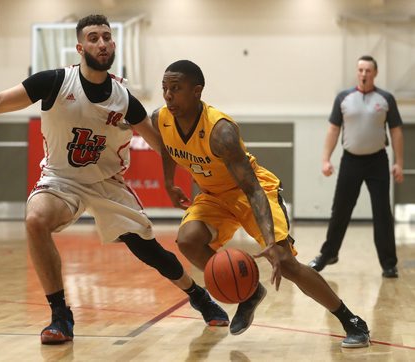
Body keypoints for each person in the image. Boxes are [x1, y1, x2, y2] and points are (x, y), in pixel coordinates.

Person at [0, 15, 229, 345]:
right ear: (79, 47)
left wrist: (177, 181)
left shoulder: (125, 98)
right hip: (61, 179)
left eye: (106, 37)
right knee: (35, 220)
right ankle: (60, 315)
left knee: (150, 252)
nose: (101, 43)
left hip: (107, 183)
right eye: (93, 38)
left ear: (114, 45)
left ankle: (198, 296)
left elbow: (165, 146)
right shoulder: (53, 82)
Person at [153, 59, 370, 348]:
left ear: (197, 91)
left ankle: (351, 320)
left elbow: (252, 189)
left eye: (176, 89)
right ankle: (250, 292)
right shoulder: (161, 117)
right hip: (213, 196)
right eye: (165, 88)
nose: (168, 95)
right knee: (188, 240)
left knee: (286, 262)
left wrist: (269, 241)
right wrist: (169, 183)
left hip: (250, 191)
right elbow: (167, 147)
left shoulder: (221, 131)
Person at [308, 55, 404, 278]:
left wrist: (399, 162)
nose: (364, 74)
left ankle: (389, 263)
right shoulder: (343, 98)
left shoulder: (386, 98)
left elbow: (396, 132)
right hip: (351, 161)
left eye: (368, 70)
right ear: (356, 72)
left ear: (375, 73)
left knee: (382, 213)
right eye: (360, 70)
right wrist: (325, 159)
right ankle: (328, 254)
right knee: (340, 210)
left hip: (378, 162)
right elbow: (333, 130)